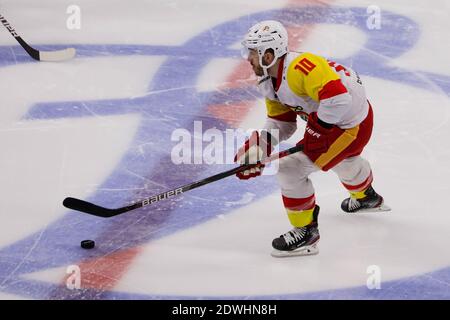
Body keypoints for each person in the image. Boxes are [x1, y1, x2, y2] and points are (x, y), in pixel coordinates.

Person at [235, 20, 390, 258]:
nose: (248, 58)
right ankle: (367, 197)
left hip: (350, 125)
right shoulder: (269, 80)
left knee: (290, 169)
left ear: (269, 54)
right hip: (340, 121)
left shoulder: (301, 67)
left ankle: (306, 233)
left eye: (253, 53)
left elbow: (338, 99)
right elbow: (282, 123)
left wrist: (317, 131)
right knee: (342, 161)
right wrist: (259, 147)